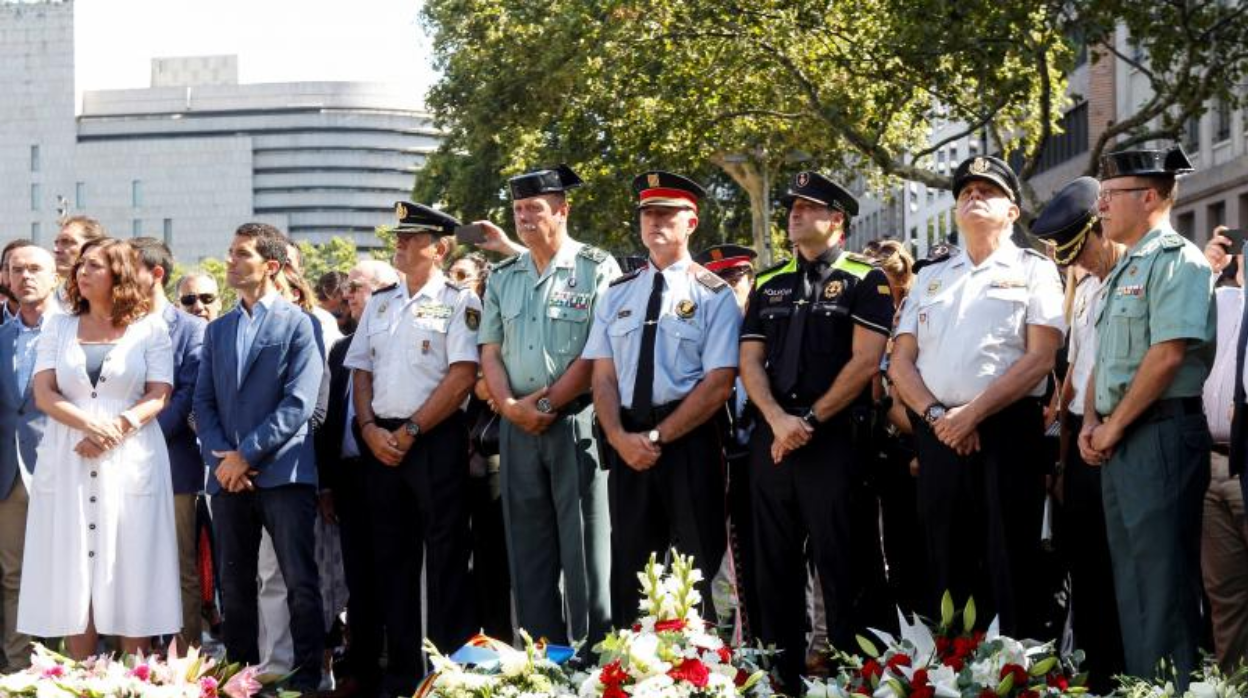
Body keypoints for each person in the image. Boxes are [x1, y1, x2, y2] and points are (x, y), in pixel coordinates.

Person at [889, 155, 1066, 638]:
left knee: (1010, 559)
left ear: (1013, 211)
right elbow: (900, 362)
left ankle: (1018, 674)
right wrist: (938, 415)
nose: (973, 196)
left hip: (1006, 433)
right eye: (965, 191)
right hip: (939, 432)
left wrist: (973, 414)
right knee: (945, 560)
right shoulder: (930, 275)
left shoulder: (1035, 269)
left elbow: (1040, 357)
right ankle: (951, 670)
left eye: (987, 190)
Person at [738, 172, 893, 687]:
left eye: (808, 207)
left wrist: (807, 421)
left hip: (831, 441)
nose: (794, 214)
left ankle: (851, 676)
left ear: (837, 220)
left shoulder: (864, 279)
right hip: (774, 440)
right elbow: (750, 362)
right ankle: (782, 675)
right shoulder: (768, 281)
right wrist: (779, 421)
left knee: (842, 563)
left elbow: (866, 361)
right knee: (774, 567)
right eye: (791, 207)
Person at [1079, 146, 1213, 685]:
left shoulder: (1178, 260)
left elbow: (1166, 356)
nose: (1102, 208)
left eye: (1111, 196)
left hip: (1158, 435)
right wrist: (1091, 421)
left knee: (1163, 587)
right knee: (1133, 583)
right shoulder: (1123, 267)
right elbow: (1103, 361)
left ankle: (1171, 689)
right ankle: (1144, 687)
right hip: (1121, 439)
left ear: (1150, 197)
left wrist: (1111, 425)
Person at [583, 170, 741, 623]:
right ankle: (626, 676)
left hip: (688, 440)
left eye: (667, 214)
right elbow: (604, 376)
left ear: (691, 222)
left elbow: (718, 382)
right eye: (648, 214)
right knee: (631, 567)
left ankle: (709, 672)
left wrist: (656, 435)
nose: (655, 223)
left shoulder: (713, 295)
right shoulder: (616, 294)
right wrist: (618, 436)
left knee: (699, 566)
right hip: (627, 440)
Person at [477, 165, 619, 648]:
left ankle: (590, 660)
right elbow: (490, 350)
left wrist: (545, 402)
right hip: (517, 426)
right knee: (528, 548)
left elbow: (597, 351)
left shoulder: (597, 267)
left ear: (562, 209)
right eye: (517, 210)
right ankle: (541, 659)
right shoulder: (502, 275)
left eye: (533, 208)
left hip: (575, 420)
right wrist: (511, 406)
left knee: (584, 548)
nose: (523, 218)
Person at [19, 237, 179, 658]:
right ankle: (81, 675)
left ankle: (135, 675)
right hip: (69, 450)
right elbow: (43, 392)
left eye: (93, 265)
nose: (81, 272)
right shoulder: (59, 325)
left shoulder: (150, 326)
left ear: (118, 275)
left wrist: (117, 427)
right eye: (80, 266)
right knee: (75, 565)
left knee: (131, 559)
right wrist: (92, 424)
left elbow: (160, 391)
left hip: (132, 456)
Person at [345, 202, 479, 696]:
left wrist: (414, 431)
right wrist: (368, 427)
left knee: (446, 558)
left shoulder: (461, 301)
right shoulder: (380, 302)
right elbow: (361, 369)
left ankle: (448, 673)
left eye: (411, 238)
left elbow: (463, 374)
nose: (399, 245)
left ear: (440, 248)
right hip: (381, 441)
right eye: (398, 238)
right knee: (391, 560)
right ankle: (401, 672)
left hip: (435, 439)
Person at [193, 223, 325, 692]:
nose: (229, 261)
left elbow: (299, 403)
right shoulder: (220, 330)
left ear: (271, 265)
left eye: (241, 254)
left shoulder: (299, 323)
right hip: (227, 479)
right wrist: (221, 461)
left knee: (298, 581)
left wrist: (243, 457)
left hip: (284, 474)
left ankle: (309, 677)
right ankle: (240, 677)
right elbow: (202, 404)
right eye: (229, 251)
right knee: (234, 586)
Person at [1029, 177, 1125, 692]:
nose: (1078, 262)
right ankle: (1096, 674)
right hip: (1081, 445)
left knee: (1123, 575)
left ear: (1099, 227)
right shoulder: (1085, 289)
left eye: (1080, 248)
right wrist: (1065, 454)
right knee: (1085, 571)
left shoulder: (1134, 276)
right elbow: (1075, 373)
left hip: (1123, 437)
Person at [314, 259, 399, 696]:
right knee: (359, 581)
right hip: (347, 481)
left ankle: (396, 668)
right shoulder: (341, 348)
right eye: (347, 288)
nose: (348, 295)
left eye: (358, 287)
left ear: (387, 291)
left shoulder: (398, 342)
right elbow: (329, 421)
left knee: (393, 574)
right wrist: (327, 483)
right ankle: (360, 670)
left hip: (388, 472)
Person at [129, 237, 208, 650]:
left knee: (180, 569)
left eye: (130, 267)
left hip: (173, 464)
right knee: (126, 564)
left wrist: (139, 435)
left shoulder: (193, 329)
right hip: (120, 466)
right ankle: (132, 660)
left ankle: (186, 660)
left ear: (157, 274)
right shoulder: (117, 325)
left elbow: (190, 393)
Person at [692, 243, 759, 642]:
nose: (727, 286)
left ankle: (754, 642)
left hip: (757, 453)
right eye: (718, 278)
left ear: (750, 278)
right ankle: (723, 642)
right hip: (712, 450)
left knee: (755, 556)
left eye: (735, 277)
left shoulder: (764, 320)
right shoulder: (701, 321)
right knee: (715, 559)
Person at [0, 243, 57, 669]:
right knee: (12, 576)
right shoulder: (1, 336)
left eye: (35, 268)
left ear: (56, 276)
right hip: (8, 475)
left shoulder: (78, 331)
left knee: (68, 572)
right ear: (6, 278)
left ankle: (68, 668)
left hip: (62, 467)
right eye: (16, 269)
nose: (25, 276)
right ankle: (18, 671)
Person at [1200, 226, 1248, 673]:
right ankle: (1232, 684)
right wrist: (1207, 269)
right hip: (1211, 464)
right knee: (1224, 595)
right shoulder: (1221, 301)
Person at [52, 217, 107, 309]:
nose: (56, 250)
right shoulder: (49, 300)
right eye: (56, 243)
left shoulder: (115, 301)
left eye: (66, 242)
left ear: (93, 246)